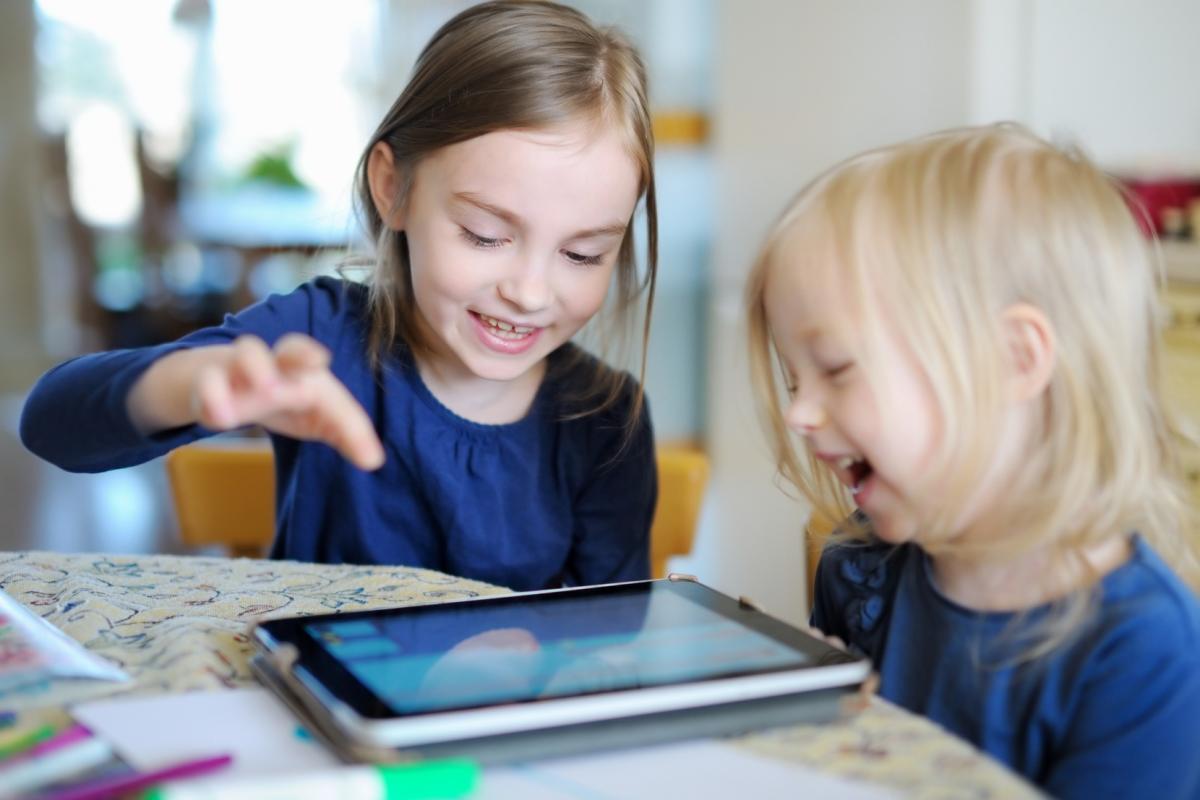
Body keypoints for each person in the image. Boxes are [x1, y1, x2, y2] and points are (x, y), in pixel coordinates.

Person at [20, 0, 659, 592]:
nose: (529, 291)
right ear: (394, 187)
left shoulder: (608, 422)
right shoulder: (318, 337)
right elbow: (49, 422)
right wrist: (194, 380)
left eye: (583, 254)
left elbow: (606, 645)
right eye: (485, 235)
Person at [745, 124, 1200, 798]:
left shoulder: (1144, 655)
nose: (799, 414)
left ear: (1013, 360)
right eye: (793, 382)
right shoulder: (856, 576)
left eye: (836, 370)